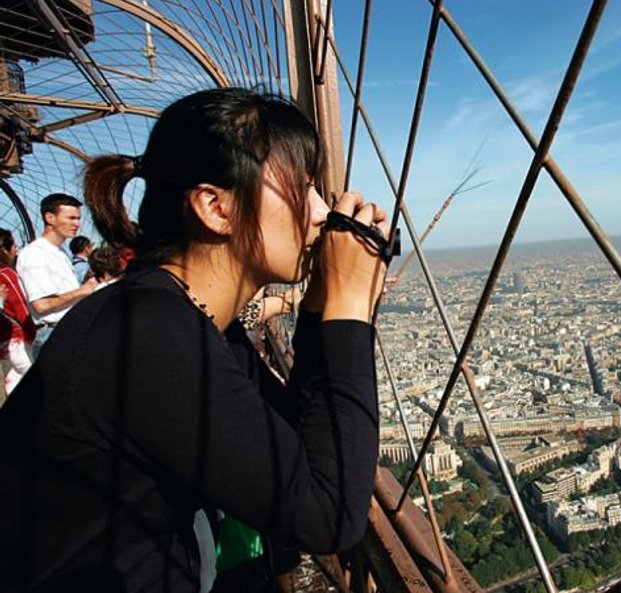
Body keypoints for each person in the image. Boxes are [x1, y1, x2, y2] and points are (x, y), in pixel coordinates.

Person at [0, 88, 389, 593]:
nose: (320, 211)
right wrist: (350, 306)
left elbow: (288, 439)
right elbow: (327, 515)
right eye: (303, 187)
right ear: (215, 207)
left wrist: (318, 305)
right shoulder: (149, 335)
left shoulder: (171, 317)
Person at [16, 193, 98, 354]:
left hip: (67, 330)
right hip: (53, 334)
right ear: (50, 218)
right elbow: (41, 305)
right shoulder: (35, 254)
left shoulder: (60, 253)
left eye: (78, 218)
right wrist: (82, 291)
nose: (77, 224)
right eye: (71, 218)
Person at [0, 229, 37, 401]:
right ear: (5, 250)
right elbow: (19, 305)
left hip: (4, 342)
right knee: (33, 386)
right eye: (14, 245)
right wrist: (31, 331)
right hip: (18, 338)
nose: (16, 249)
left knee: (13, 384)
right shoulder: (7, 274)